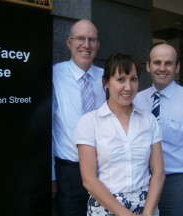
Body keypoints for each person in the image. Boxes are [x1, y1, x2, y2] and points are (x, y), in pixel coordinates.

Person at [75, 52, 165, 216]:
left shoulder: (149, 120)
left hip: (146, 206)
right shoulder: (89, 122)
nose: (128, 87)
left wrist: (148, 213)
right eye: (120, 79)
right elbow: (89, 179)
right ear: (106, 82)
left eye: (133, 79)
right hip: (105, 206)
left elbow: (158, 172)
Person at [133, 43, 183, 216]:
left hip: (177, 184)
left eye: (168, 63)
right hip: (142, 181)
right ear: (148, 66)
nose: (162, 68)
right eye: (157, 62)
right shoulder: (136, 100)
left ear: (177, 67)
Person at [52, 19, 106, 216]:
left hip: (106, 171)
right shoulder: (53, 75)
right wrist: (51, 176)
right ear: (68, 43)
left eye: (92, 40)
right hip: (69, 174)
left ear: (98, 46)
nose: (86, 45)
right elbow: (46, 129)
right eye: (80, 39)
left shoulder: (107, 77)